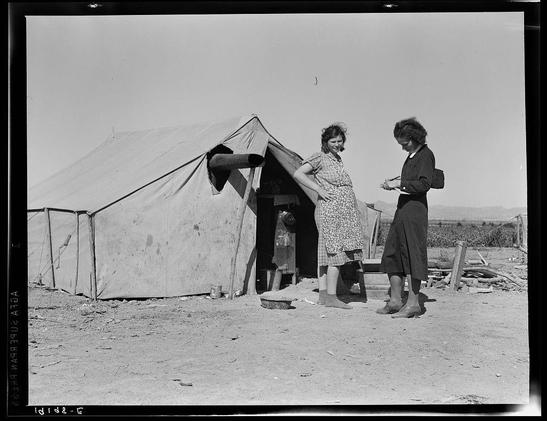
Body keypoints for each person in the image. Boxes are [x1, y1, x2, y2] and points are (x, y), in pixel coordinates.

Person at [293, 123, 364, 309]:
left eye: (340, 141)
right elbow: (298, 173)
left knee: (326, 255)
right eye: (333, 141)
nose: (337, 144)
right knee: (335, 252)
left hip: (341, 214)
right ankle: (332, 296)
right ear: (325, 141)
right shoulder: (320, 157)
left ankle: (324, 296)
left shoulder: (337, 160)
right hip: (329, 212)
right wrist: (318, 189)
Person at [378, 117, 435, 318]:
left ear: (414, 137)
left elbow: (424, 184)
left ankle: (413, 304)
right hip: (403, 208)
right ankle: (395, 301)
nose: (402, 147)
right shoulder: (412, 156)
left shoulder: (426, 155)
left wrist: (398, 185)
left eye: (405, 143)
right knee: (392, 253)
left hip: (415, 211)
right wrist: (397, 182)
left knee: (412, 255)